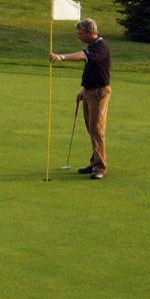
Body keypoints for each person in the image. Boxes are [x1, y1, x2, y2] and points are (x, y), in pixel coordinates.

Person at [49, 18, 111, 179]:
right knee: (91, 128)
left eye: (81, 33)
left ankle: (99, 168)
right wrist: (83, 90)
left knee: (96, 129)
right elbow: (92, 71)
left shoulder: (100, 47)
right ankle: (95, 161)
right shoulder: (93, 46)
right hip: (90, 91)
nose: (78, 36)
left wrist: (61, 57)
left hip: (99, 93)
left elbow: (82, 56)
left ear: (90, 33)